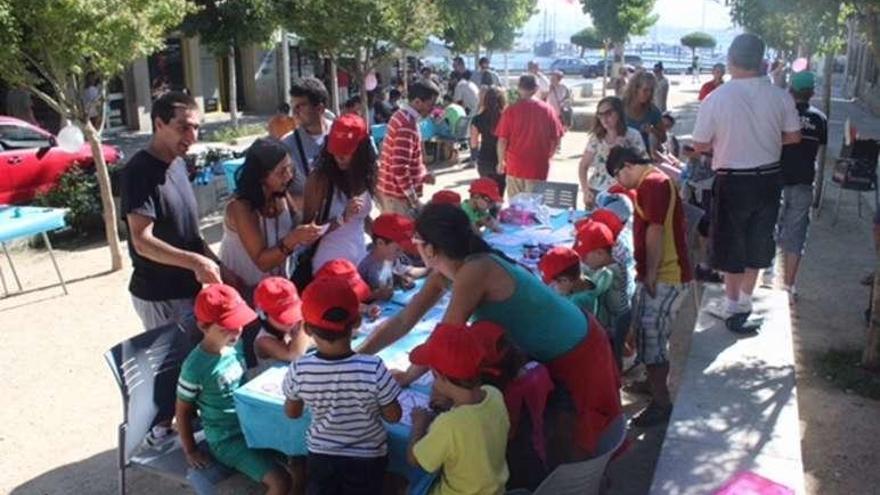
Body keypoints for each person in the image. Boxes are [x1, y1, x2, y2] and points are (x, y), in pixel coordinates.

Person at [359, 203, 622, 460]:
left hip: (576, 350)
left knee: (580, 443)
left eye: (416, 241)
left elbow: (445, 340)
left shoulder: (476, 270)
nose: (414, 247)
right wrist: (357, 356)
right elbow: (404, 319)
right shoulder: (450, 271)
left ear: (429, 248)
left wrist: (408, 374)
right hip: (564, 343)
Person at [691, 33, 801, 333]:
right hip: (768, 178)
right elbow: (794, 137)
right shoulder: (780, 96)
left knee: (730, 243)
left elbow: (700, 144)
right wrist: (763, 140)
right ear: (761, 60)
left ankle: (731, 303)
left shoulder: (716, 98)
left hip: (732, 179)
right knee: (758, 240)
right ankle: (744, 301)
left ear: (731, 59)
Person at [283, 277, 402, 495]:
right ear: (357, 321)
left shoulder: (299, 369)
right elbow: (393, 416)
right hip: (368, 458)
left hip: (321, 456)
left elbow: (292, 413)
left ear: (307, 329)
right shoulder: (373, 367)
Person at [121, 91, 224, 330]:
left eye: (196, 128)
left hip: (190, 292)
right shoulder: (138, 172)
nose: (192, 136)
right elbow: (142, 242)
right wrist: (197, 263)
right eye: (184, 127)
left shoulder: (177, 164)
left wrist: (218, 264)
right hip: (160, 296)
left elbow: (189, 234)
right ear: (158, 124)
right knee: (174, 367)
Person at [175, 284, 291, 495]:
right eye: (226, 327)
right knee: (280, 482)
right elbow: (182, 411)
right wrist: (190, 450)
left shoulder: (235, 346)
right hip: (228, 439)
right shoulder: (195, 367)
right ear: (203, 326)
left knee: (300, 457)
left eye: (237, 324)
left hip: (253, 424)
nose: (236, 331)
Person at [606, 146, 691, 426]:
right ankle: (651, 383)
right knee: (646, 333)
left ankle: (661, 403)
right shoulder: (651, 181)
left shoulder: (652, 184)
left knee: (653, 339)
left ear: (626, 166)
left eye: (617, 175)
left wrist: (652, 273)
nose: (619, 182)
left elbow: (655, 230)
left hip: (667, 275)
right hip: (657, 273)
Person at [407, 323, 510, 495]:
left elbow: (415, 460)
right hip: (496, 490)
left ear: (437, 376)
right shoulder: (494, 395)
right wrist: (451, 404)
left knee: (402, 486)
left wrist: (419, 424)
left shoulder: (449, 424)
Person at [219, 138, 322, 298]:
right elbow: (262, 262)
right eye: (281, 172)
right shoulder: (241, 207)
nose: (288, 176)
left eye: (290, 169)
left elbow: (297, 223)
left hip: (276, 289)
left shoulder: (280, 194)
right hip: (243, 292)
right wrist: (293, 239)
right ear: (261, 175)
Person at [303, 113, 376, 274]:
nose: (339, 157)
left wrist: (382, 240)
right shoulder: (319, 179)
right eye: (335, 150)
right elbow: (306, 234)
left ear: (362, 150)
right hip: (330, 265)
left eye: (346, 151)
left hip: (360, 257)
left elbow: (362, 218)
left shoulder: (366, 174)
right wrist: (342, 218)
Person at [777, 71, 827, 299]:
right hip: (804, 181)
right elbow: (816, 152)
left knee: (768, 229)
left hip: (776, 179)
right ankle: (789, 285)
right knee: (796, 235)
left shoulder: (780, 114)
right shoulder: (820, 119)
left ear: (790, 91)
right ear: (812, 93)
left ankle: (766, 280)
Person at [573, 216, 632, 370]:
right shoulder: (605, 264)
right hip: (612, 317)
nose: (583, 260)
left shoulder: (612, 272)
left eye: (584, 257)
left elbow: (594, 289)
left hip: (616, 320)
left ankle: (614, 379)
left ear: (600, 253)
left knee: (611, 357)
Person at [376, 80, 440, 215]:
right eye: (430, 104)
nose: (432, 109)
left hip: (392, 193)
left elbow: (407, 160)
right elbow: (399, 169)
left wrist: (422, 174)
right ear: (417, 102)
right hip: (397, 197)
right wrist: (414, 201)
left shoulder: (401, 116)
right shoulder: (407, 124)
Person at [496, 75, 565, 199]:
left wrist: (501, 162)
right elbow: (556, 138)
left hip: (515, 165)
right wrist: (548, 156)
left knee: (516, 207)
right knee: (534, 207)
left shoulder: (510, 110)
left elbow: (502, 140)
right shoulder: (547, 110)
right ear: (536, 88)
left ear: (519, 88)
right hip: (538, 165)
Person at [578, 96, 646, 208]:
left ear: (619, 113)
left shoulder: (633, 136)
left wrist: (626, 150)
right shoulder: (597, 138)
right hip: (597, 192)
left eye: (608, 113)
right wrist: (585, 191)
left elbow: (644, 167)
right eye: (600, 115)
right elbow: (583, 166)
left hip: (624, 193)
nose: (604, 119)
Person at [283, 77, 333, 211]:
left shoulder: (339, 134)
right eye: (292, 107)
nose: (294, 113)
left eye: (300, 106)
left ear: (320, 108)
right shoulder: (287, 145)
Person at [251, 277, 310, 377]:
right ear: (263, 315)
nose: (291, 322)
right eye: (283, 319)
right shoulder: (264, 341)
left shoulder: (295, 327)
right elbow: (295, 355)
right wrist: (304, 321)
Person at [358, 213, 416, 301]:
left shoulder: (389, 257)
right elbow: (352, 297)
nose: (401, 253)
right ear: (380, 243)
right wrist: (375, 295)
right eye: (397, 249)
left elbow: (406, 270)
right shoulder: (362, 264)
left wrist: (400, 278)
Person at [538, 246, 599, 315]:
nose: (552, 286)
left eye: (553, 283)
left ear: (565, 280)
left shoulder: (576, 304)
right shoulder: (582, 282)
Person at [470, 86, 507, 194]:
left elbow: (473, 143)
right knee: (499, 194)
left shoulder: (477, 119)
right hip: (501, 160)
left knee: (486, 194)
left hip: (484, 159)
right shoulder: (506, 118)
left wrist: (474, 157)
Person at [623, 71, 666, 153]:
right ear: (635, 89)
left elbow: (663, 138)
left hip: (642, 156)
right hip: (620, 156)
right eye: (645, 90)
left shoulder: (653, 111)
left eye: (651, 90)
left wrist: (652, 130)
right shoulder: (619, 106)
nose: (649, 94)